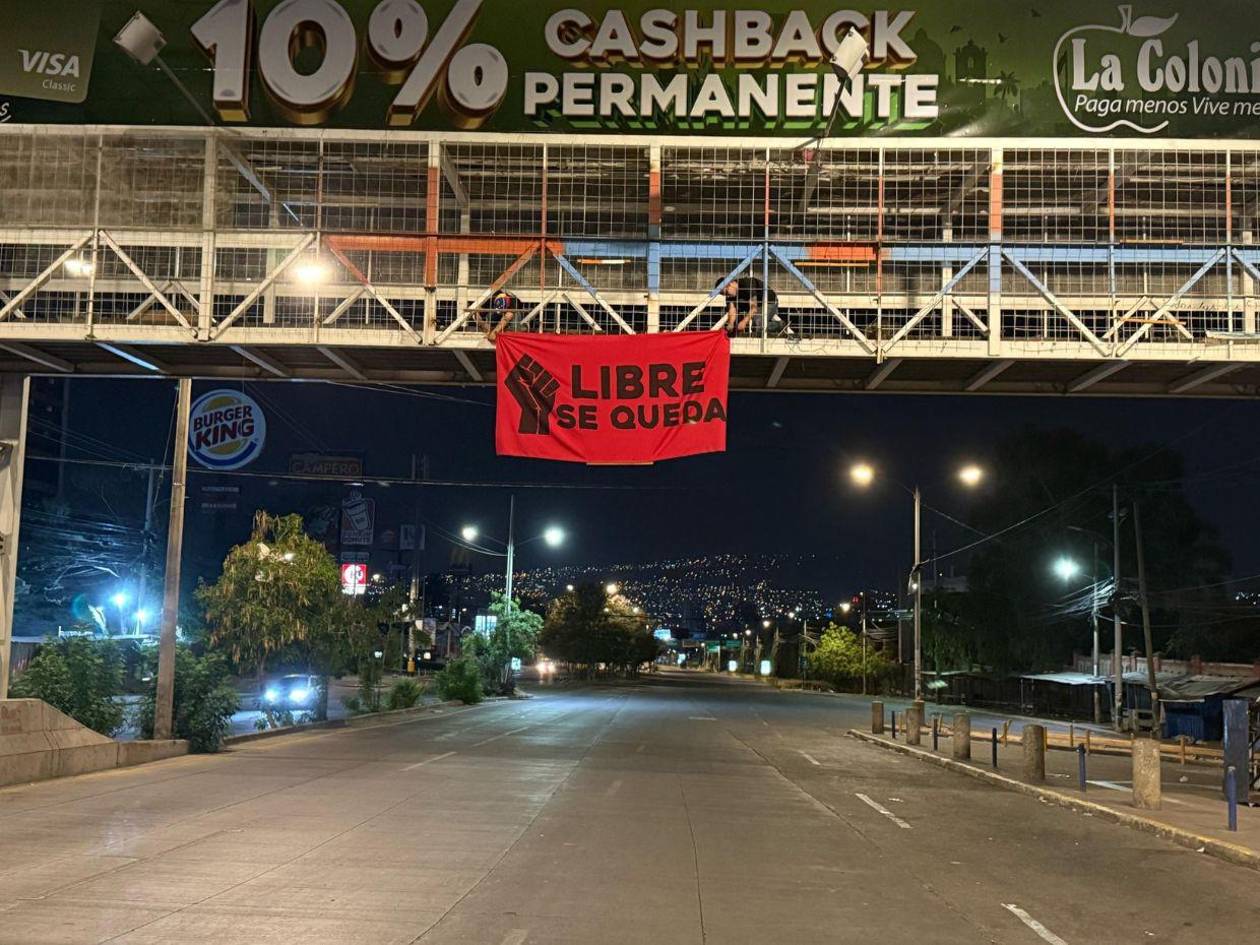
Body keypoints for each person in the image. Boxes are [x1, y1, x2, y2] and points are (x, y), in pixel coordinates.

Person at [718, 275, 787, 336]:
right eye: (724, 295)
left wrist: (744, 322)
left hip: (769, 302)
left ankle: (780, 325)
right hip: (755, 306)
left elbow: (754, 308)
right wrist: (730, 324)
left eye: (726, 292)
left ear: (731, 283)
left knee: (757, 326)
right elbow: (732, 311)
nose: (727, 296)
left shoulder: (746, 284)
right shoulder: (730, 296)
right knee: (750, 325)